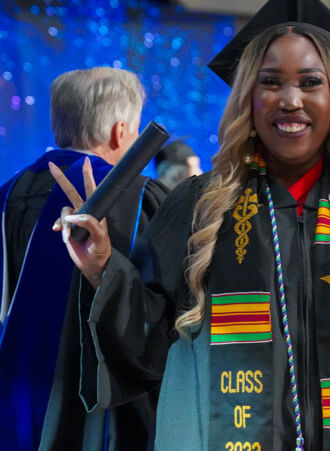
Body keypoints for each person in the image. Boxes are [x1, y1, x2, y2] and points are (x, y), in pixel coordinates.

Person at [52, 1, 330, 450]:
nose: (290, 99)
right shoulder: (199, 207)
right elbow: (153, 346)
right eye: (270, 82)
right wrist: (104, 269)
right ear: (247, 100)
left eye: (311, 83)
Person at [0, 67, 167, 450]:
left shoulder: (8, 196)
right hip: (105, 410)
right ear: (119, 132)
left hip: (15, 396)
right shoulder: (142, 196)